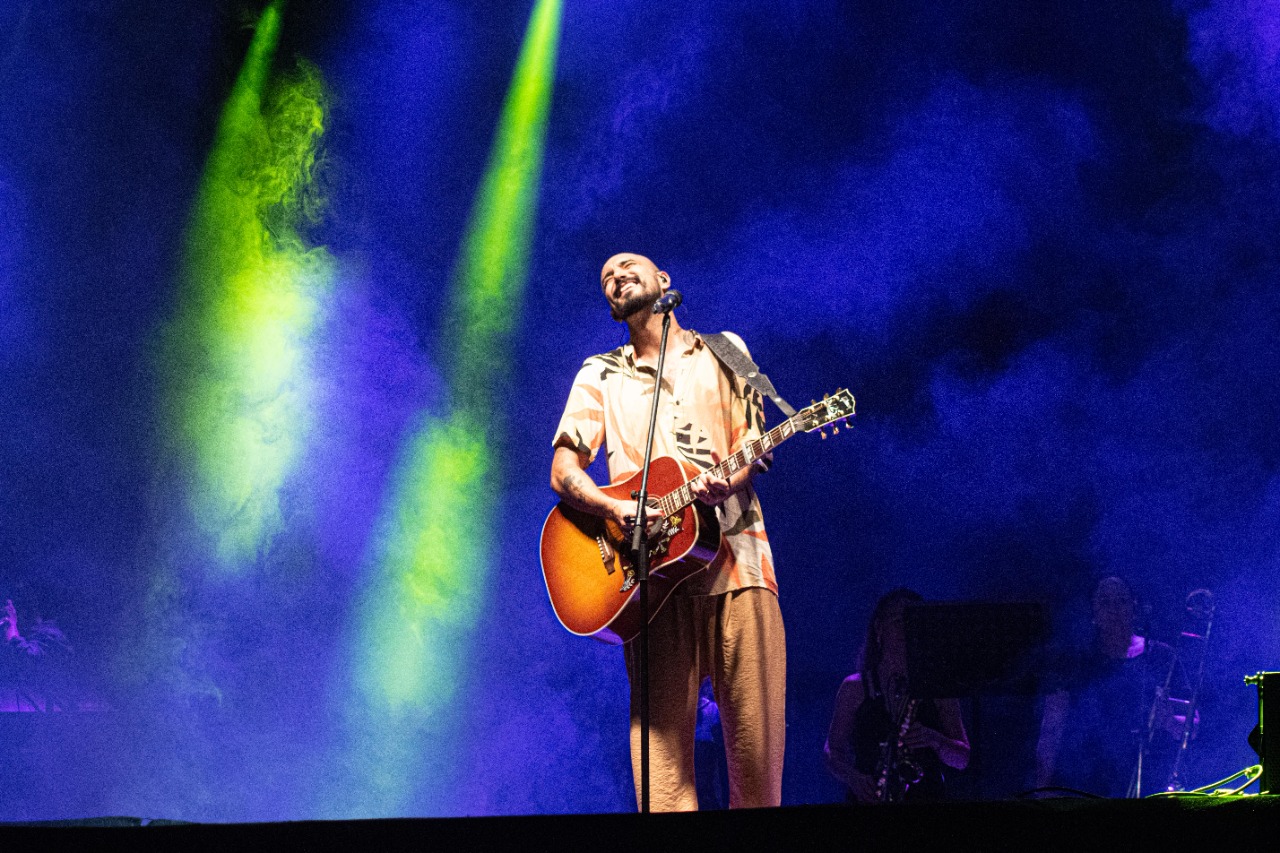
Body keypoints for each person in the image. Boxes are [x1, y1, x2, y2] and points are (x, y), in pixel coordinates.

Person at [550, 252, 784, 811]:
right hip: (649, 582)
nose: (614, 276)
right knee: (662, 784)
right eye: (605, 276)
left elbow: (754, 441)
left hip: (740, 566)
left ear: (664, 281)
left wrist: (733, 477)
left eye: (628, 266)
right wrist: (613, 508)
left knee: (757, 770)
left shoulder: (727, 351)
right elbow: (563, 470)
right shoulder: (598, 372)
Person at [1035, 576, 1190, 797]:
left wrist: (1169, 721)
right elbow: (1051, 729)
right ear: (1094, 612)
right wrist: (1043, 789)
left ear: (1134, 607)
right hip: (1085, 784)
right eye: (1105, 602)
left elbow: (1191, 725)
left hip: (1149, 784)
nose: (1114, 609)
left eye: (1121, 601)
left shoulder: (1162, 657)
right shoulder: (1075, 661)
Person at [823, 589, 970, 803]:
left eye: (912, 620)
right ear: (878, 629)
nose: (905, 627)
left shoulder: (938, 688)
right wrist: (853, 778)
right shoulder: (854, 687)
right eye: (897, 619)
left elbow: (963, 759)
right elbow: (831, 751)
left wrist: (935, 740)